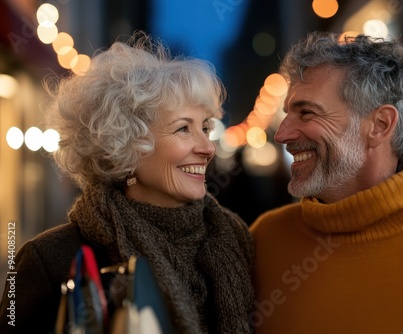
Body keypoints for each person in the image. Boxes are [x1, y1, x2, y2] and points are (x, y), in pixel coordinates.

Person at [0, 32, 253, 333]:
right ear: (126, 146)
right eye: (184, 129)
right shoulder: (49, 260)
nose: (208, 148)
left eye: (206, 127)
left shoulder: (238, 237)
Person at [249, 31, 403, 333]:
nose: (282, 134)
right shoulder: (265, 239)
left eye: (306, 113)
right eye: (288, 113)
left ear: (379, 125)